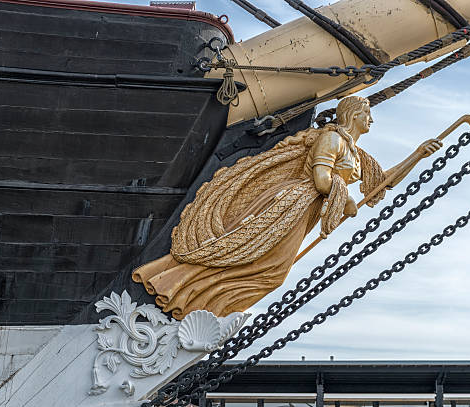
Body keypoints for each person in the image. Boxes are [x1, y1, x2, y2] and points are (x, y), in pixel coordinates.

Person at [133, 96, 442, 320]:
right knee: (265, 268)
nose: (370, 119)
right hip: (292, 204)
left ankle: (197, 300)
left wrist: (417, 155)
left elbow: (379, 184)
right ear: (352, 115)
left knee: (264, 269)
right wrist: (344, 197)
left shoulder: (355, 152)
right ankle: (185, 294)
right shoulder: (332, 139)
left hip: (305, 211)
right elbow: (321, 179)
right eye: (366, 113)